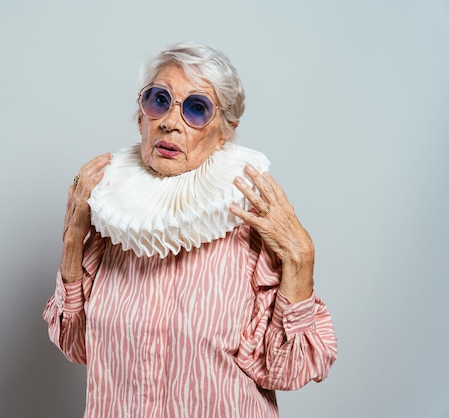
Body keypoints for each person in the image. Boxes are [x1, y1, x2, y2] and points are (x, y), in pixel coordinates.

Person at [43, 41, 337, 418]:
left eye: (197, 109)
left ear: (224, 131)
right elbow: (76, 346)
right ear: (140, 117)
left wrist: (301, 261)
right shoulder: (112, 221)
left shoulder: (248, 222)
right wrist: (72, 243)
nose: (169, 121)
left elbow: (290, 370)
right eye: (158, 100)